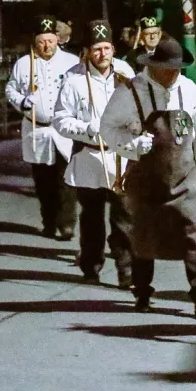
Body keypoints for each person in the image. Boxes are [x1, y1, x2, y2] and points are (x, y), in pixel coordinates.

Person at [102, 36, 196, 319]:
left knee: (194, 235)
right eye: (167, 69)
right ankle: (142, 292)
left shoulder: (189, 89)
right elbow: (107, 129)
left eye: (177, 69)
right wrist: (131, 144)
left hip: (184, 175)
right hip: (147, 177)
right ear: (153, 66)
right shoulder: (131, 92)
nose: (172, 74)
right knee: (145, 236)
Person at [54, 20, 137, 286]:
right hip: (89, 153)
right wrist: (88, 130)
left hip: (121, 155)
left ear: (113, 48)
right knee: (91, 215)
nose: (102, 55)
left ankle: (126, 268)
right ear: (87, 51)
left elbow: (139, 109)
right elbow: (61, 119)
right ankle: (91, 266)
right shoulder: (74, 78)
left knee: (124, 214)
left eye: (106, 48)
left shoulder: (125, 74)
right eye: (96, 49)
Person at [5, 15, 81, 239]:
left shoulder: (71, 62)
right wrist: (21, 101)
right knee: (44, 181)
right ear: (35, 42)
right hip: (37, 130)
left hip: (63, 130)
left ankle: (67, 223)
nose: (46, 45)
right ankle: (49, 220)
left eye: (50, 40)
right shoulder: (23, 64)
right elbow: (11, 89)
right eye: (42, 42)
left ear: (57, 39)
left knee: (66, 178)